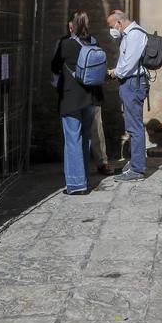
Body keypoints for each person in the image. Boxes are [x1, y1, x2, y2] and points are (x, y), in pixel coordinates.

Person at [51, 12, 104, 195]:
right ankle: (84, 179)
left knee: (73, 138)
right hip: (91, 97)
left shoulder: (65, 44)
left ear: (72, 26)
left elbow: (54, 66)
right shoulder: (93, 42)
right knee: (85, 138)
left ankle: (76, 185)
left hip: (71, 98)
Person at [105, 9, 150, 181]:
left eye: (111, 26)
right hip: (130, 82)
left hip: (133, 82)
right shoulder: (128, 35)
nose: (111, 30)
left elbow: (128, 63)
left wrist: (114, 72)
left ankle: (137, 170)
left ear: (119, 22)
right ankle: (134, 164)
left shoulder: (134, 35)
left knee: (135, 127)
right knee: (132, 125)